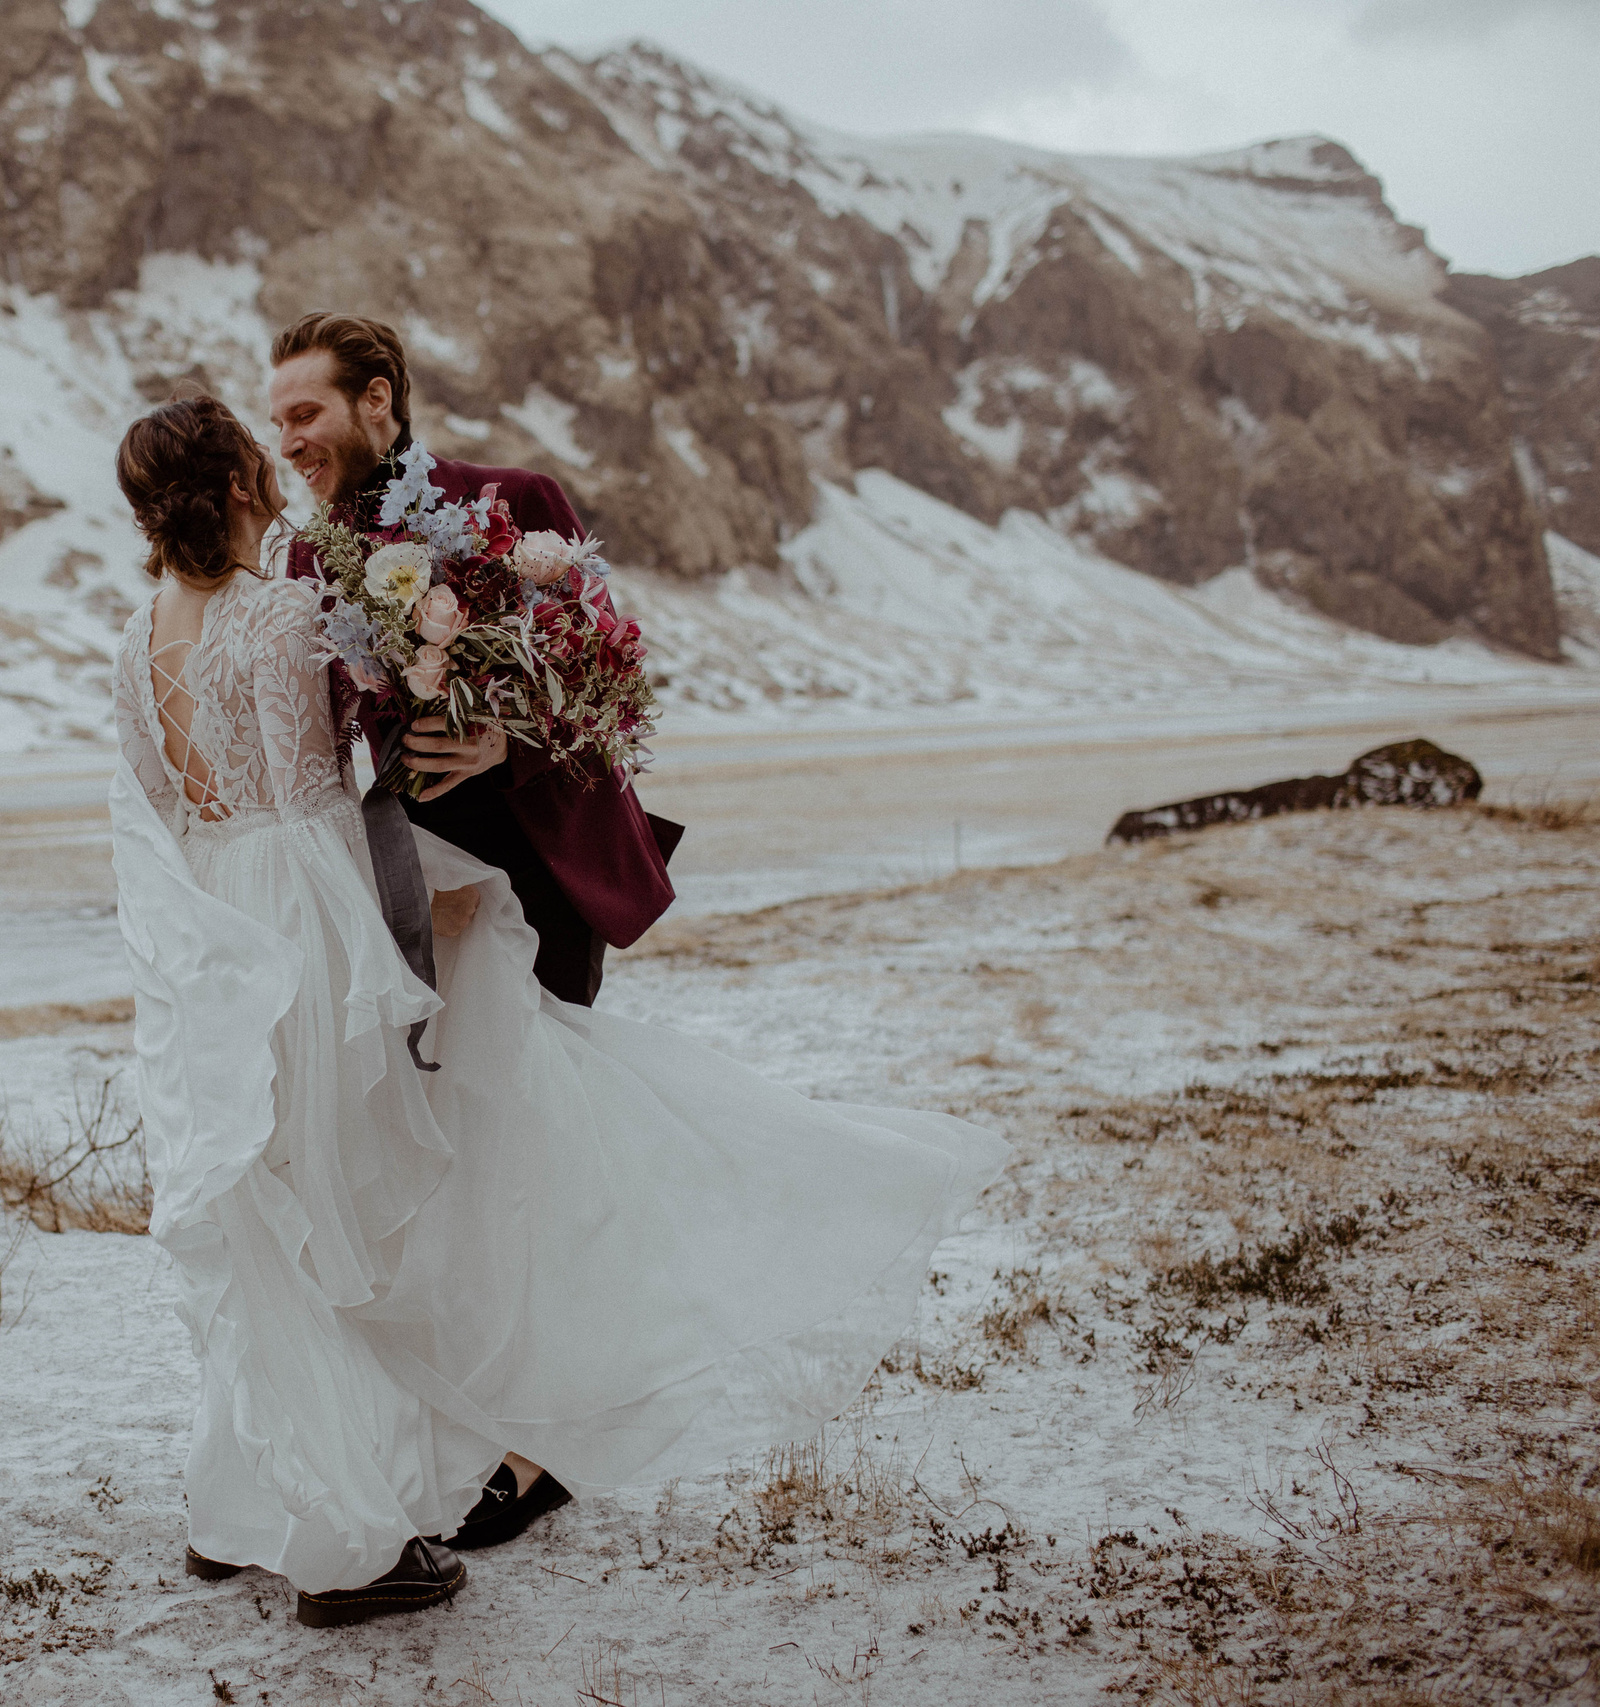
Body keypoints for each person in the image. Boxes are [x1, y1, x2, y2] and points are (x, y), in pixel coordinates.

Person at [109, 393, 1007, 1631]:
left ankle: (240, 1504)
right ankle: (347, 1545)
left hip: (216, 939)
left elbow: (169, 814)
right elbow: (321, 801)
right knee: (336, 1218)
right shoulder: (283, 617)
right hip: (305, 933)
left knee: (264, 1211)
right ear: (246, 486)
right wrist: (438, 900)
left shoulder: (136, 630)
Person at [268, 312, 681, 1010]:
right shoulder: (309, 558)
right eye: (277, 423)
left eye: (304, 415)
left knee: (553, 1089)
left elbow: (611, 682)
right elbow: (327, 739)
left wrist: (499, 745)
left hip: (547, 859)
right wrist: (407, 875)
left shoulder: (518, 499)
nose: (288, 444)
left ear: (376, 399)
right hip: (427, 874)